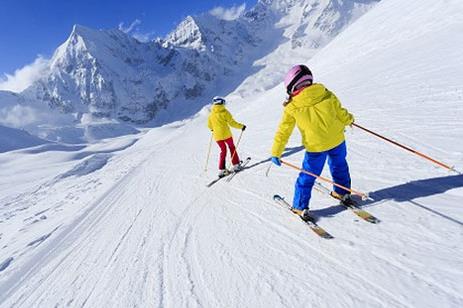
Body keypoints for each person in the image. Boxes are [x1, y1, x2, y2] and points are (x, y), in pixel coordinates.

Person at [270, 65, 354, 221]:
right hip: (337, 140)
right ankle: (342, 192)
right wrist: (349, 120)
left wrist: (276, 152)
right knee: (339, 165)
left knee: (307, 176)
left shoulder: (292, 107)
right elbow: (340, 112)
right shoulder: (326, 94)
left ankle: (300, 207)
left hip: (316, 148)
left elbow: (284, 131)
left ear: (291, 87)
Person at [208, 96, 246, 177]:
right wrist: (241, 126)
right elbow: (232, 123)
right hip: (226, 135)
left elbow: (209, 125)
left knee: (223, 151)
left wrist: (212, 129)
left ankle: (222, 170)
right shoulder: (225, 112)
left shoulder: (211, 114)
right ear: (221, 103)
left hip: (217, 137)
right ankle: (236, 165)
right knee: (232, 147)